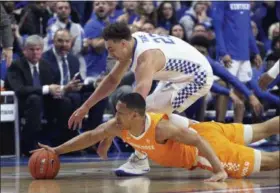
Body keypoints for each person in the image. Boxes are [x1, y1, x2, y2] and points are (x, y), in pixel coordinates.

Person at [68, 22, 214, 175]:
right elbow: (112, 80)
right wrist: (85, 106)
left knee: (145, 112)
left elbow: (137, 106)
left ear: (123, 44)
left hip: (197, 76)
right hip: (175, 74)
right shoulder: (131, 43)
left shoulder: (145, 59)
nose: (110, 55)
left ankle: (140, 159)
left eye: (111, 49)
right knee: (155, 112)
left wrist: (108, 135)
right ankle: (207, 132)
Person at [33, 93, 280, 181]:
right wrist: (56, 150)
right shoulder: (120, 126)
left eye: (121, 113)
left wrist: (219, 170)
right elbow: (89, 136)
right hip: (207, 128)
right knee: (263, 129)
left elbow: (197, 141)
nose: (115, 117)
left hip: (205, 148)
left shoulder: (160, 129)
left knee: (271, 162)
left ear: (136, 116)